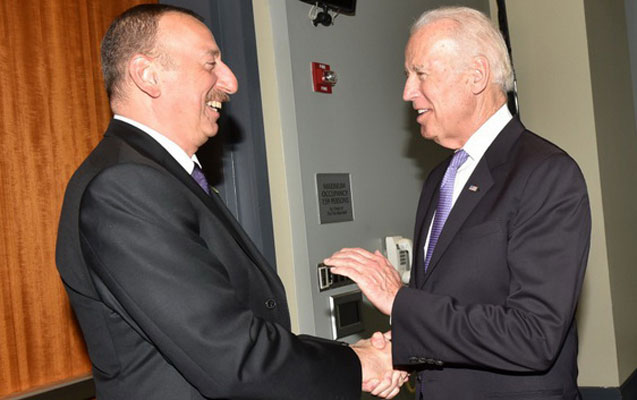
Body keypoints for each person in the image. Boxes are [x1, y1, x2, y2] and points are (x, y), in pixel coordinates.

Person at [55, 4, 406, 399]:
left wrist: (353, 357)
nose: (231, 81)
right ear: (148, 74)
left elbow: (239, 327)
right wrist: (360, 363)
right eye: (211, 63)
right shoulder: (126, 186)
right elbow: (231, 356)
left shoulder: (164, 177)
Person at [325, 6, 591, 400]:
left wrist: (400, 300)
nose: (407, 92)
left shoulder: (547, 174)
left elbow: (533, 336)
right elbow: (453, 301)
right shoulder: (440, 178)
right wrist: (400, 355)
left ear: (477, 75)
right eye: (407, 76)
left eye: (421, 74)